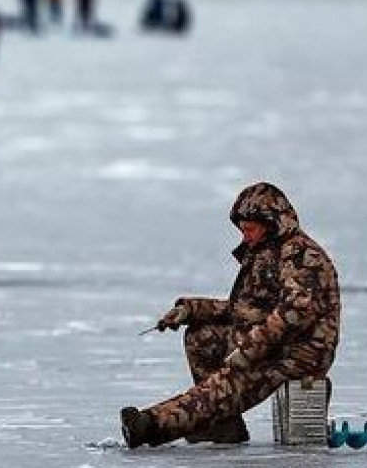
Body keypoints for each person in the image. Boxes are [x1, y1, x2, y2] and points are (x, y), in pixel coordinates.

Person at [120, 182, 340, 448]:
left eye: (250, 230)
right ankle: (222, 427)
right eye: (242, 230)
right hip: (271, 344)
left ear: (271, 223)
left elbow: (293, 315)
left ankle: (151, 425)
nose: (245, 237)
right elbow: (243, 309)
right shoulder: (265, 253)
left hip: (299, 352)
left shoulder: (303, 257)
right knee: (201, 337)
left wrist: (249, 350)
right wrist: (191, 310)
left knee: (229, 383)